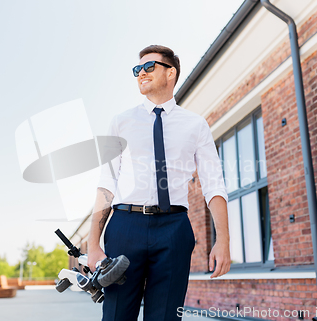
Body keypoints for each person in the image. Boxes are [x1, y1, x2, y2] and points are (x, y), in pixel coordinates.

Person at [87, 45, 230, 321]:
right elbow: (107, 184)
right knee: (116, 316)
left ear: (171, 72)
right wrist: (93, 244)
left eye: (149, 67)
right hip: (125, 227)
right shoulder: (121, 122)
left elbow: (214, 184)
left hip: (173, 230)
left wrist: (223, 239)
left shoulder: (196, 125)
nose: (141, 73)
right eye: (137, 70)